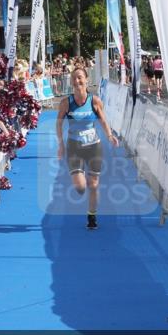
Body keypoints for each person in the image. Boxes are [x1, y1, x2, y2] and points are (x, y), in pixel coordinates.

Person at [55, 67, 120, 230]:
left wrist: (110, 136)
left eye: (80, 78)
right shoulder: (66, 103)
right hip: (74, 146)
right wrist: (60, 145)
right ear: (71, 82)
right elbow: (59, 123)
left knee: (93, 184)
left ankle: (92, 215)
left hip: (93, 146)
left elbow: (103, 121)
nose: (77, 81)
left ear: (86, 80)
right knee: (80, 187)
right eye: (74, 79)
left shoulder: (95, 101)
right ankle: (80, 180)